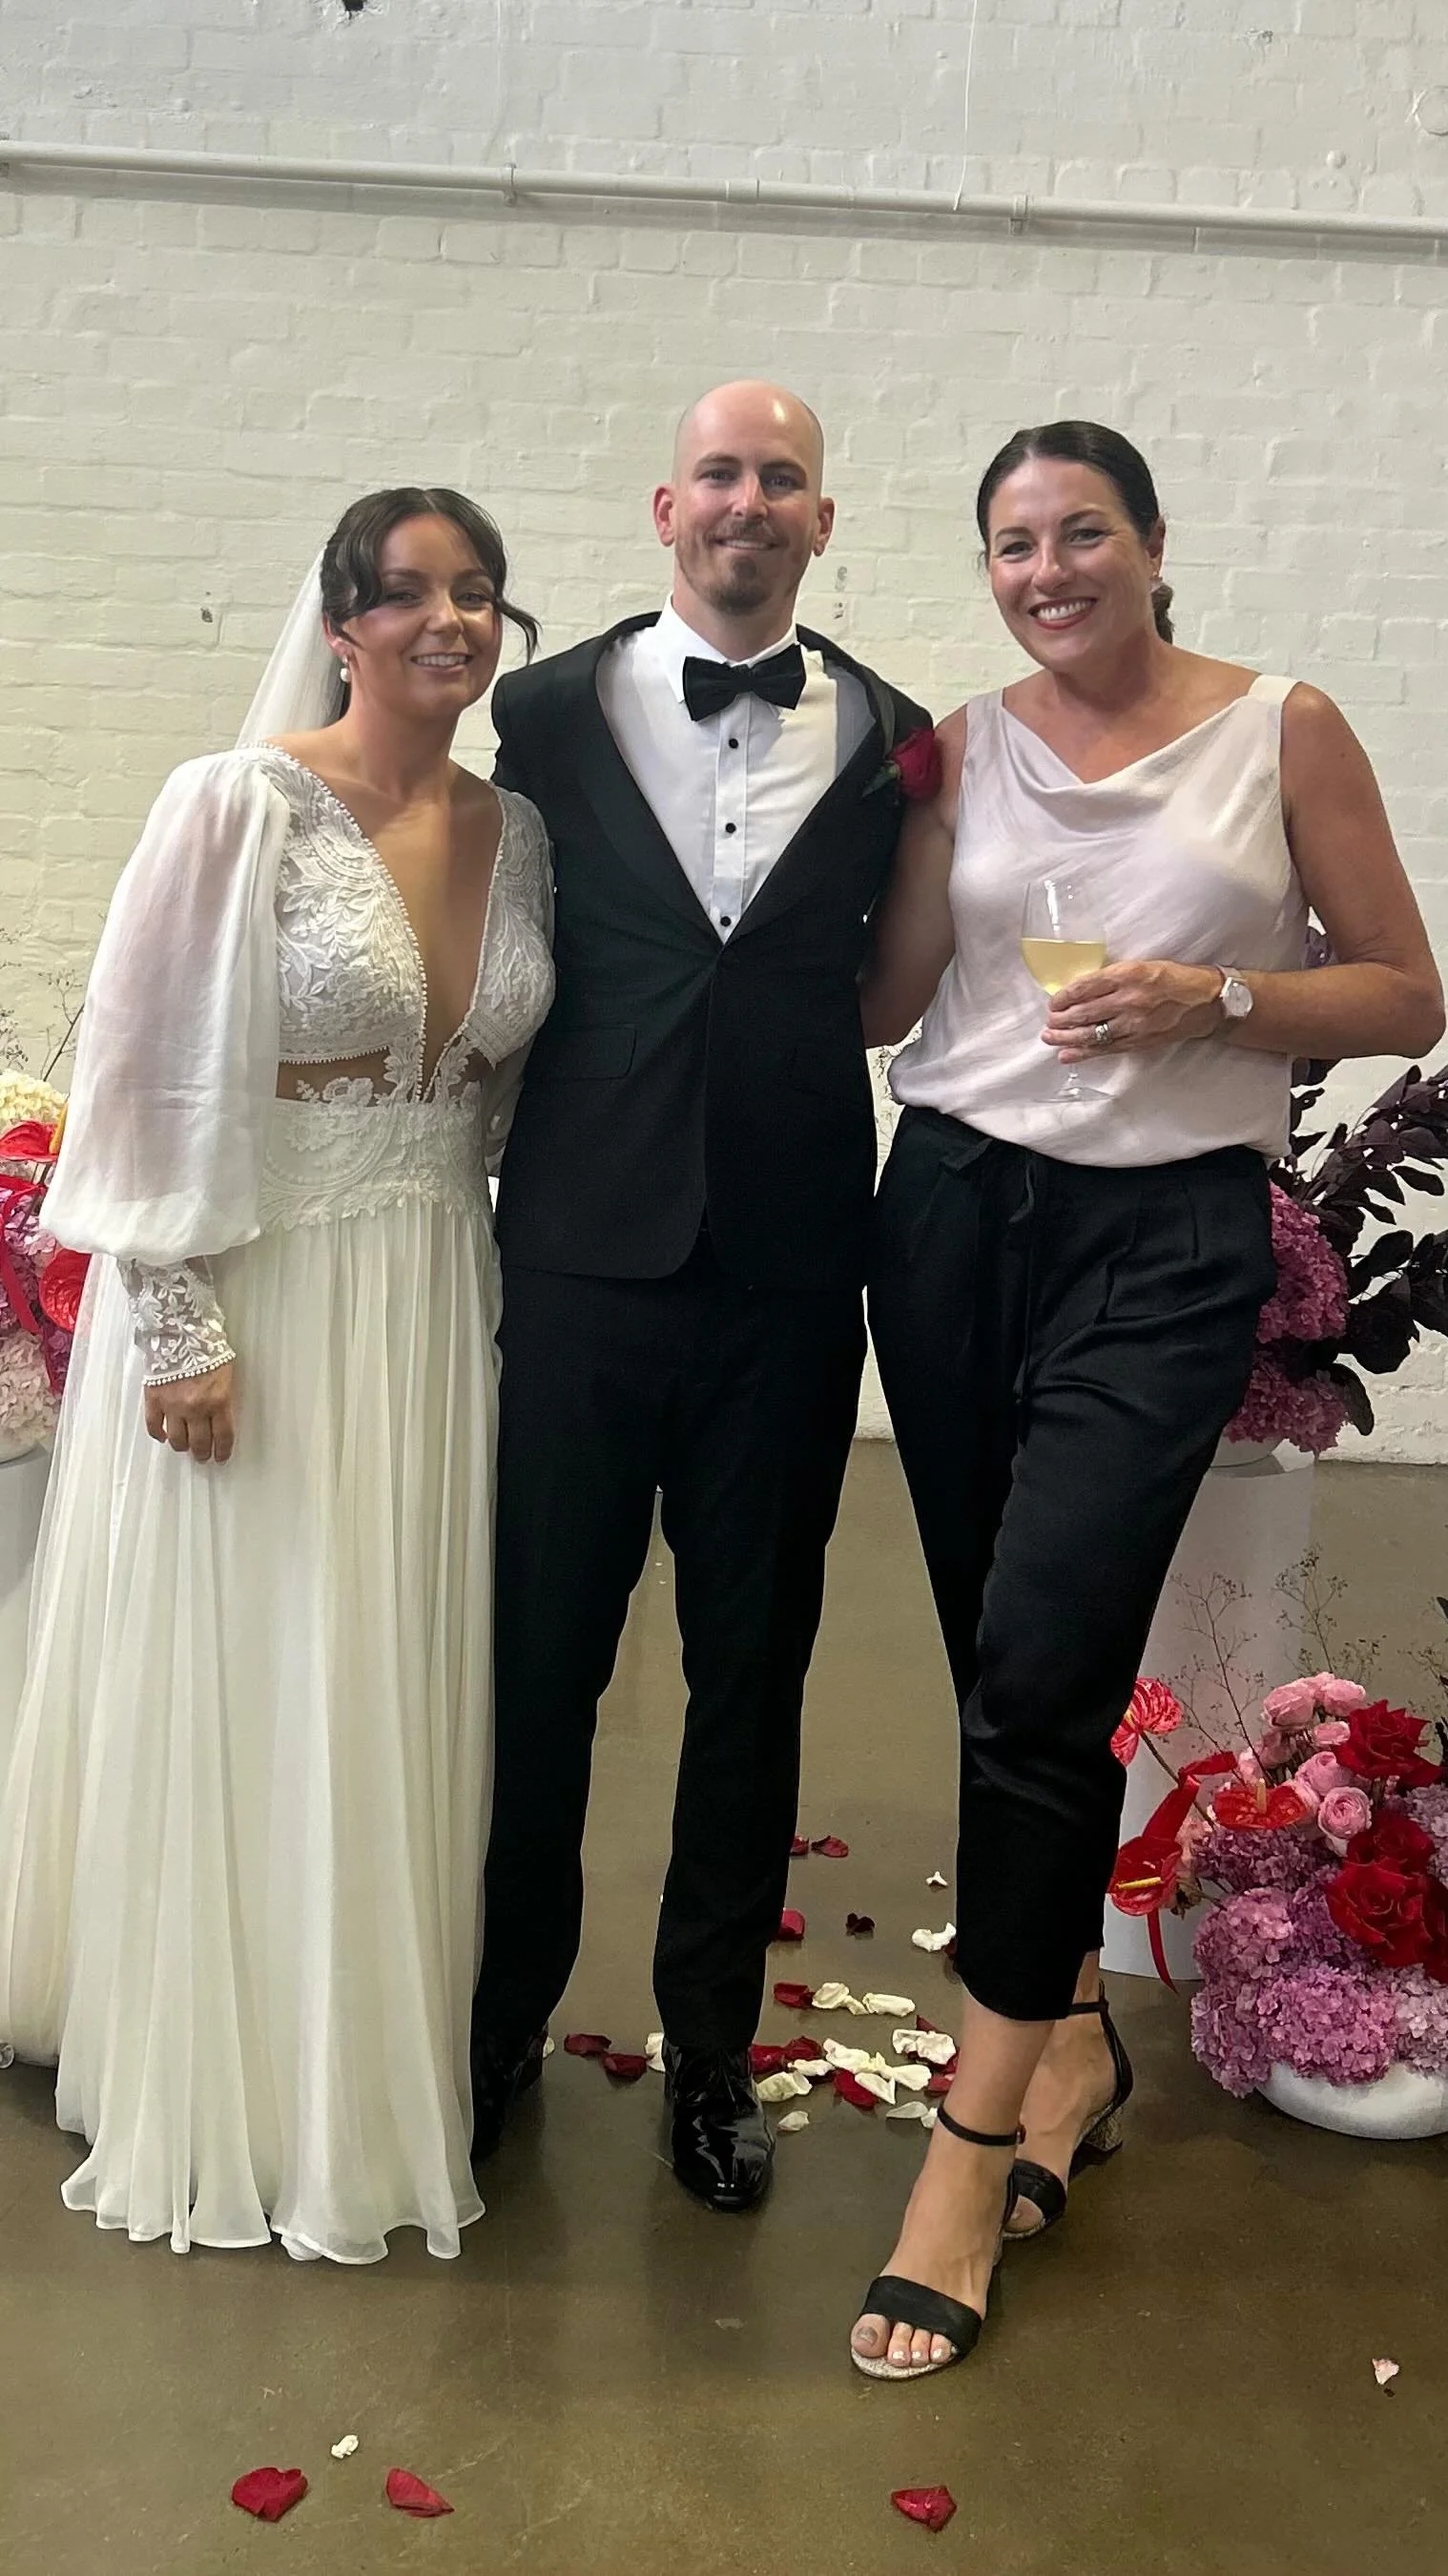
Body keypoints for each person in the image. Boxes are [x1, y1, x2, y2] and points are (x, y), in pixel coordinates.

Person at [850, 419, 1443, 2378]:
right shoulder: (960, 745)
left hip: (1168, 1235)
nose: (1047, 570)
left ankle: (965, 2153)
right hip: (953, 1210)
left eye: (1080, 531)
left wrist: (1224, 1000)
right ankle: (1074, 2044)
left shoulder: (1281, 728)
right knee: (996, 1656)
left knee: (1042, 1666)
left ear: (1153, 540)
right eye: (1012, 543)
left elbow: (1407, 990)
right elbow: (890, 999)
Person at [0, 488, 555, 2262]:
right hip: (265, 1283)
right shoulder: (233, 803)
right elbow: (144, 1068)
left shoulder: (519, 832)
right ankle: (238, 2069)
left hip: (431, 1294)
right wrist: (177, 1321)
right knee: (263, 1659)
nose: (450, 621)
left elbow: (503, 1097)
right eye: (410, 594)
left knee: (384, 1658)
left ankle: (370, 2037)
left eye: (479, 593)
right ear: (339, 625)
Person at [469, 381, 934, 2212]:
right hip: (579, 1256)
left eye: (783, 479)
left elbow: (888, 987)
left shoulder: (896, 735)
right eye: (719, 474)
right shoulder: (536, 711)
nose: (749, 501)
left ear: (822, 520)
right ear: (668, 509)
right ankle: (497, 2022)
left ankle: (713, 2056)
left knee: (754, 1675)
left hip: (792, 1276)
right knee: (540, 1663)